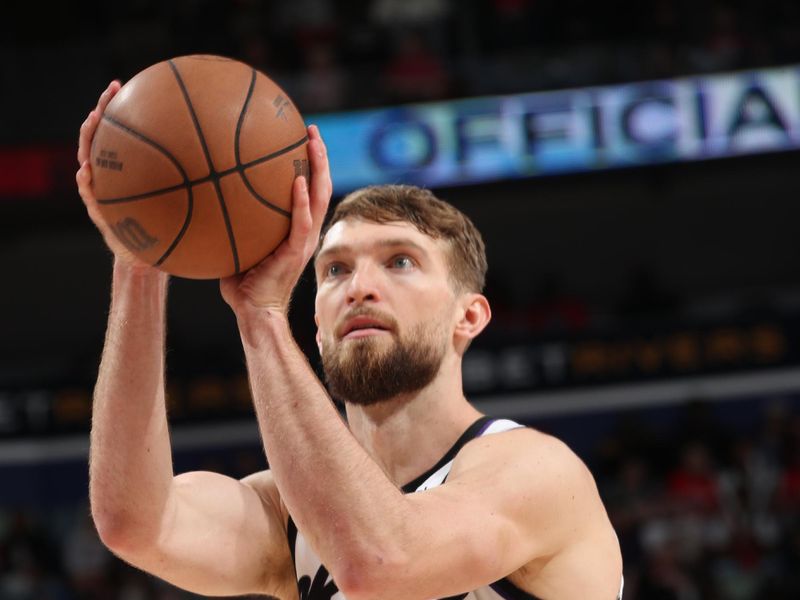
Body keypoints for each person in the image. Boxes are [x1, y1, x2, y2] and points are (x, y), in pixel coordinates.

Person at [77, 81, 623, 600]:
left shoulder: (536, 470)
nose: (360, 288)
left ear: (470, 316)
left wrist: (263, 317)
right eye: (335, 270)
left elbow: (381, 561)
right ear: (315, 325)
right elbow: (135, 523)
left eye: (400, 262)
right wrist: (140, 259)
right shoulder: (295, 509)